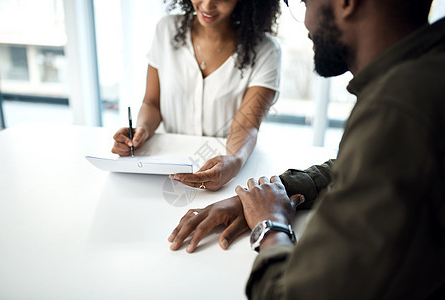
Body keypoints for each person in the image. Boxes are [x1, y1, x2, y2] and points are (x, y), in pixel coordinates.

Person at [169, 0, 445, 298]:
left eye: (304, 1)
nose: (305, 21)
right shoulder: (425, 73)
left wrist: (269, 226)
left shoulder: (396, 111)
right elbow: (365, 163)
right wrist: (273, 193)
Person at [111, 0, 282, 191]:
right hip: (165, 172)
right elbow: (152, 103)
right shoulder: (166, 30)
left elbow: (247, 125)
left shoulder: (266, 51)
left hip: (227, 176)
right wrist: (141, 131)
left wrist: (234, 160)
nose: (207, 6)